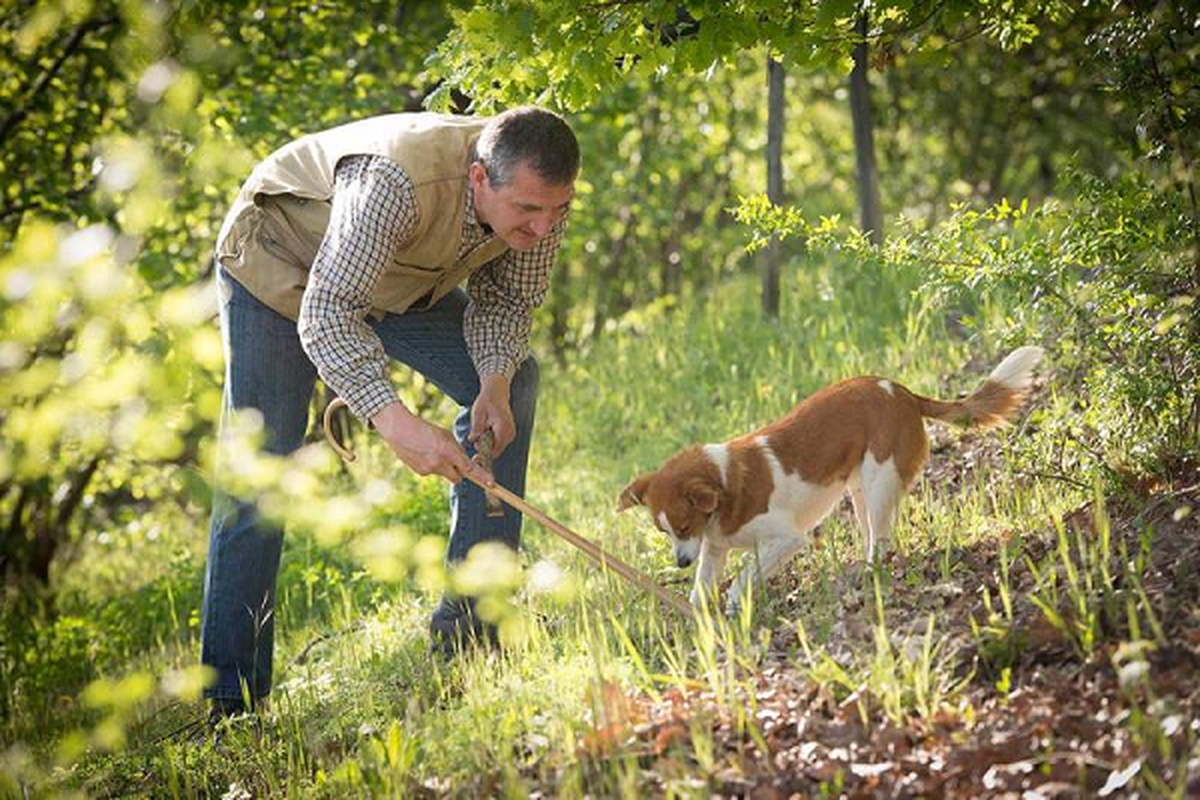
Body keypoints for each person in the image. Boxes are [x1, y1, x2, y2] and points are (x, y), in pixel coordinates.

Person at [200, 107, 579, 720]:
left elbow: (508, 303)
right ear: (480, 179)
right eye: (529, 212)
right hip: (278, 264)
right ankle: (233, 701)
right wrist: (397, 422)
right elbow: (328, 315)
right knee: (261, 475)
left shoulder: (540, 200)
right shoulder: (395, 183)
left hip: (391, 279)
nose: (543, 227)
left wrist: (493, 382)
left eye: (556, 210)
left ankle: (473, 630)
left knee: (519, 377)